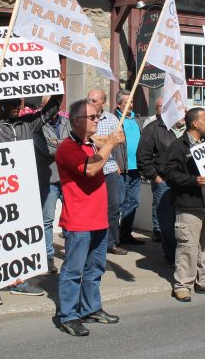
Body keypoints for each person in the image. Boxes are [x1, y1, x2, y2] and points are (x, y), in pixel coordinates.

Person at [0, 94, 62, 304]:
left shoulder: (27, 124)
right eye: (11, 103)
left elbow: (50, 110)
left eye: (18, 103)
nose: (16, 106)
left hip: (22, 189)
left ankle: (18, 281)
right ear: (1, 104)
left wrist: (56, 87)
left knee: (18, 237)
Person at [55, 99, 125, 336]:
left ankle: (90, 308)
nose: (97, 120)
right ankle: (68, 315)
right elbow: (90, 169)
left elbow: (101, 151)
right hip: (78, 221)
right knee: (73, 271)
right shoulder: (67, 148)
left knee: (95, 269)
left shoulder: (91, 144)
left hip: (98, 219)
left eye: (98, 116)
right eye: (92, 117)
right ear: (75, 121)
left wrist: (109, 143)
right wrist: (111, 144)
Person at [165, 107, 205, 303]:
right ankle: (182, 285)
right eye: (204, 119)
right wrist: (193, 180)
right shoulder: (179, 146)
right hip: (189, 205)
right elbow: (170, 174)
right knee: (187, 246)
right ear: (194, 123)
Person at [136, 108, 179, 265]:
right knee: (167, 223)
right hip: (165, 183)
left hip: (186, 183)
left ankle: (187, 256)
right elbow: (143, 155)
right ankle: (171, 256)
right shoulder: (153, 128)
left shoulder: (190, 127)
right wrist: (155, 176)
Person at [87, 88, 127, 255]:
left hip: (109, 169)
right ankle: (90, 242)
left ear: (103, 102)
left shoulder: (111, 119)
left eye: (94, 101)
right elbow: (85, 139)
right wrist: (106, 141)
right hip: (91, 169)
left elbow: (121, 139)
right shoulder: (85, 118)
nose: (90, 103)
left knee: (113, 207)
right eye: (89, 99)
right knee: (91, 207)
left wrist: (99, 141)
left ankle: (110, 242)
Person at [34, 97, 71, 274]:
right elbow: (48, 150)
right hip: (47, 179)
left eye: (55, 105)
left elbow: (74, 143)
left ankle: (72, 252)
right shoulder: (36, 125)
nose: (53, 108)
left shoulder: (66, 121)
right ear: (43, 106)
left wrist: (58, 143)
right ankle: (48, 256)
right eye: (49, 105)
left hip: (67, 177)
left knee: (71, 218)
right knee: (47, 220)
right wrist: (65, 143)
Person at [112, 90, 145, 246]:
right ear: (119, 104)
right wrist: (114, 163)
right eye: (127, 102)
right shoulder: (114, 120)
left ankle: (125, 234)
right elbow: (109, 144)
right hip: (121, 168)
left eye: (131, 102)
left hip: (135, 169)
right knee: (118, 203)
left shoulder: (136, 119)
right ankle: (113, 237)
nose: (130, 105)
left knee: (133, 202)